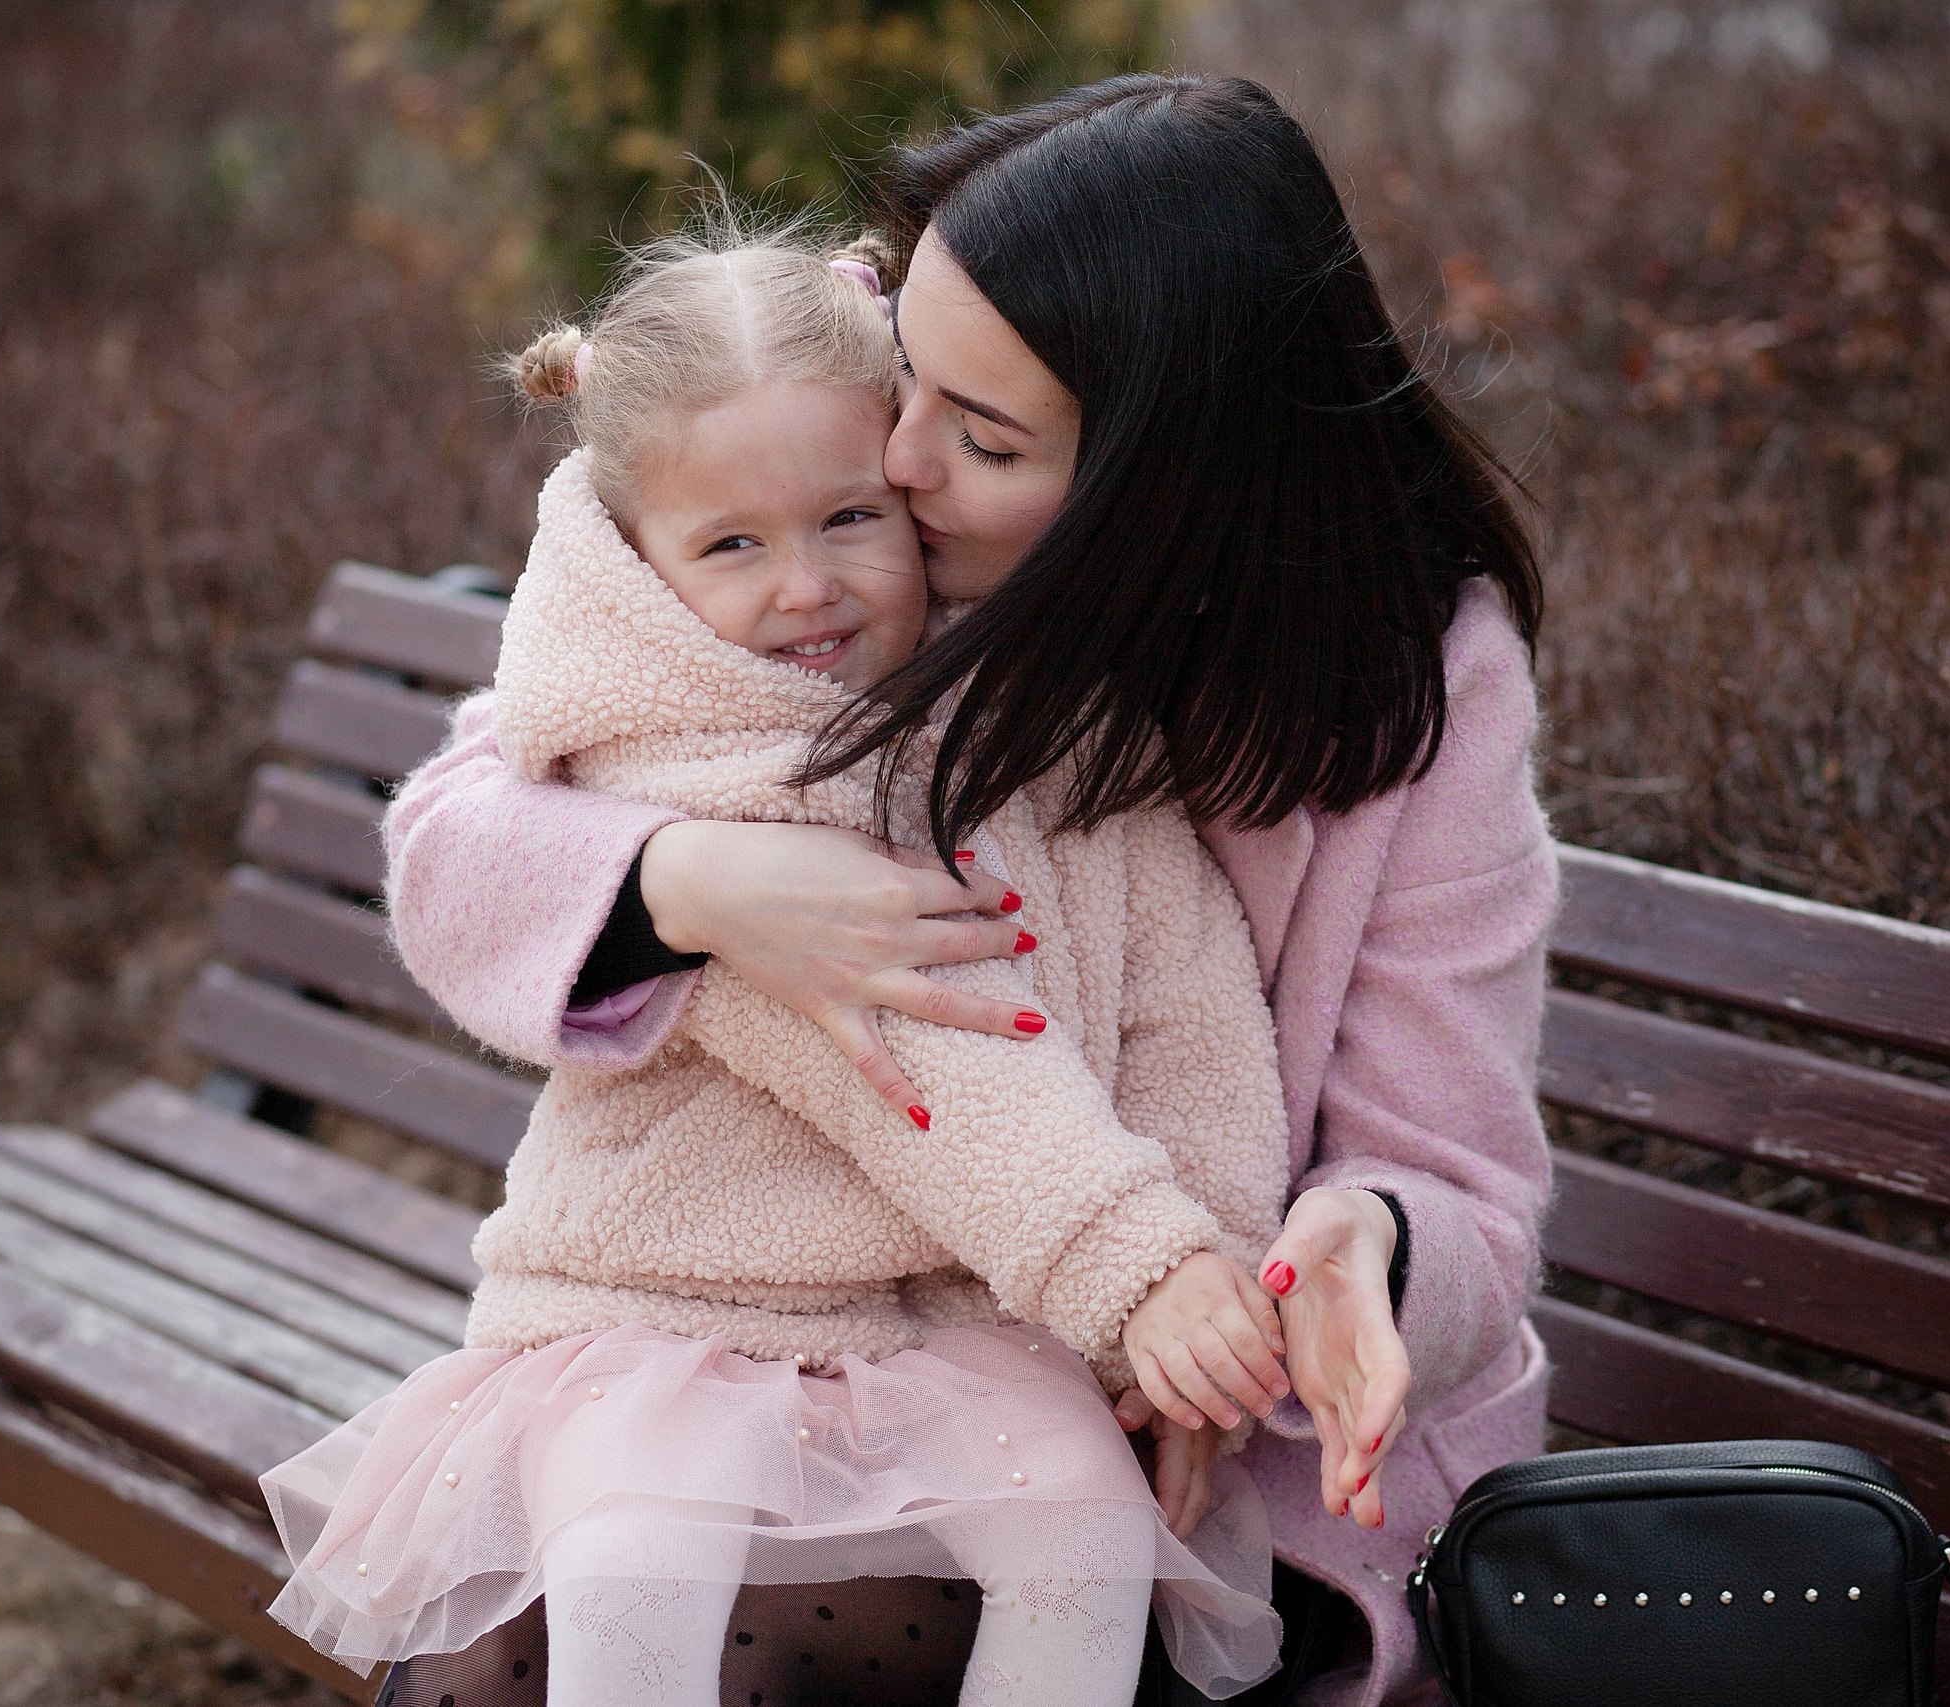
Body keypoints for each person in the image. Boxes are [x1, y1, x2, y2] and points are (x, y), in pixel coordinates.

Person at [388, 73, 1557, 1707]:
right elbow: (475, 806)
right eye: (907, 386)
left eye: (982, 438)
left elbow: (1460, 1188)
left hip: (1212, 1456)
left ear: (1166, 470)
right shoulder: (876, 543)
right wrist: (690, 883)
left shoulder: (1417, 692)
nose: (905, 460)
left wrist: (1353, 1249)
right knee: (530, 1633)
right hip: (864, 1344)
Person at [262, 226, 1296, 1707]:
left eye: (849, 518)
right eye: (732, 545)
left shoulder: (1057, 727)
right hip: (665, 1313)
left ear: (912, 484)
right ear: (643, 563)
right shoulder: (695, 752)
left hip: (963, 1323)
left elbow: (1190, 1004)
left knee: (1082, 1540)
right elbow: (928, 1044)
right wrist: (1143, 1268)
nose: (805, 587)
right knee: (638, 1564)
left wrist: (1208, 1280)